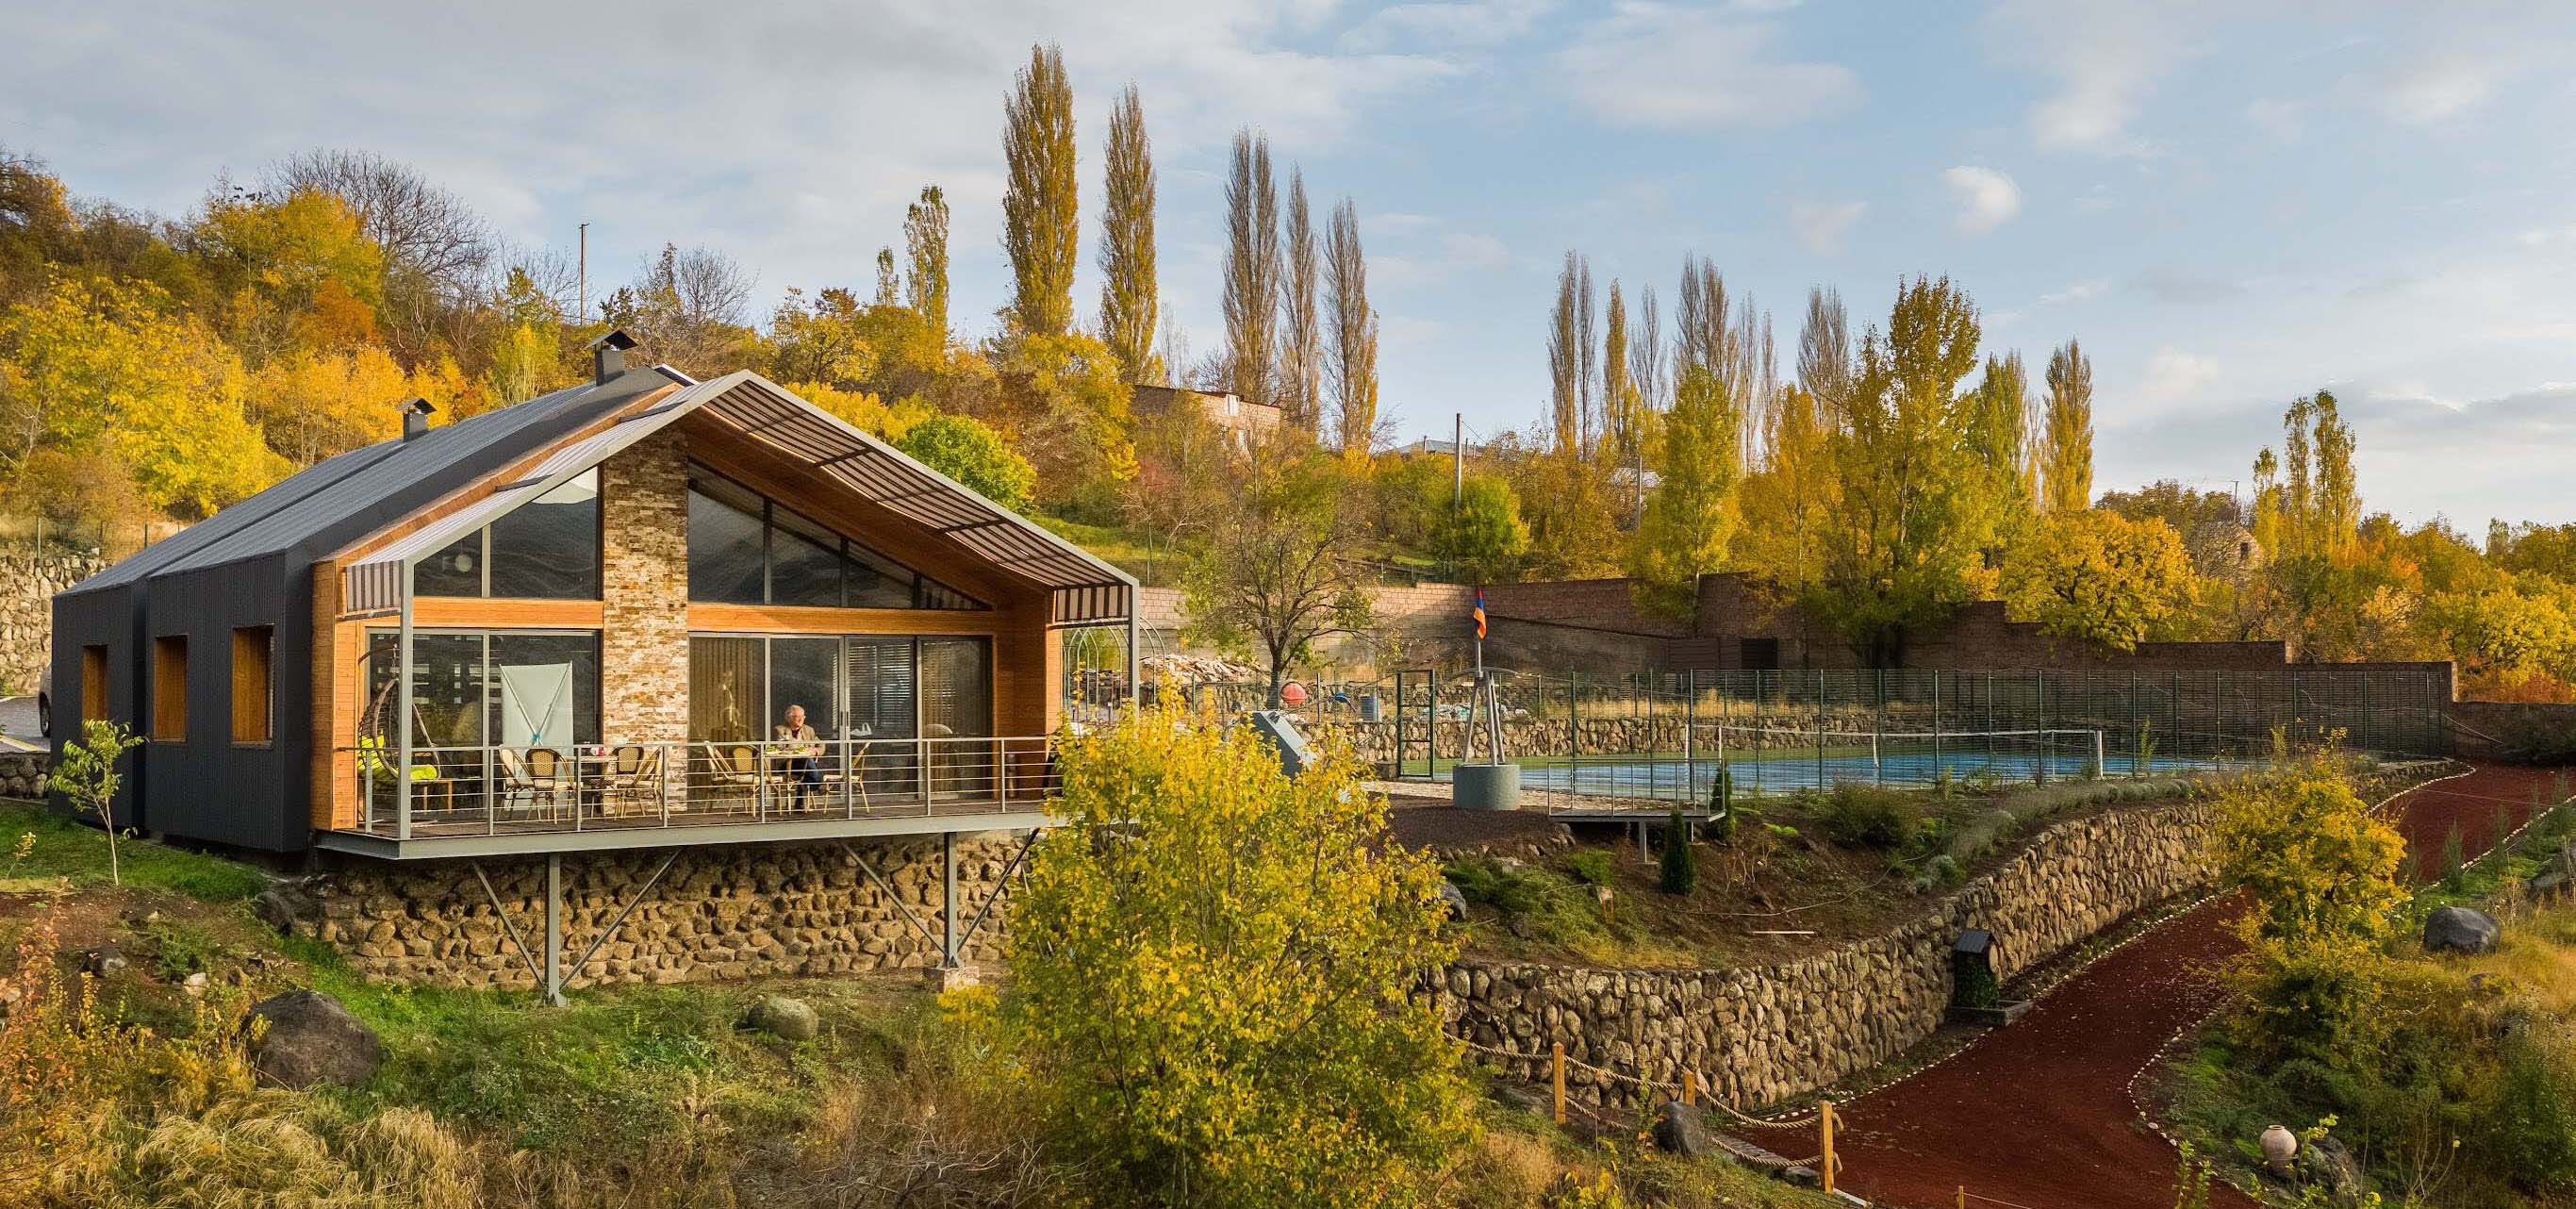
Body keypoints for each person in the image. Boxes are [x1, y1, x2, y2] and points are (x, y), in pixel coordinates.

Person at [774, 704, 825, 808]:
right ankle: (817, 785)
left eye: (803, 716)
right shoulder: (780, 730)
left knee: (807, 762)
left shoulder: (808, 730)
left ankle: (800, 799)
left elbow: (821, 745)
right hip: (786, 765)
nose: (801, 719)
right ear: (788, 718)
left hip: (805, 765)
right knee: (808, 760)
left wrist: (815, 751)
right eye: (797, 716)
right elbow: (780, 747)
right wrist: (803, 750)